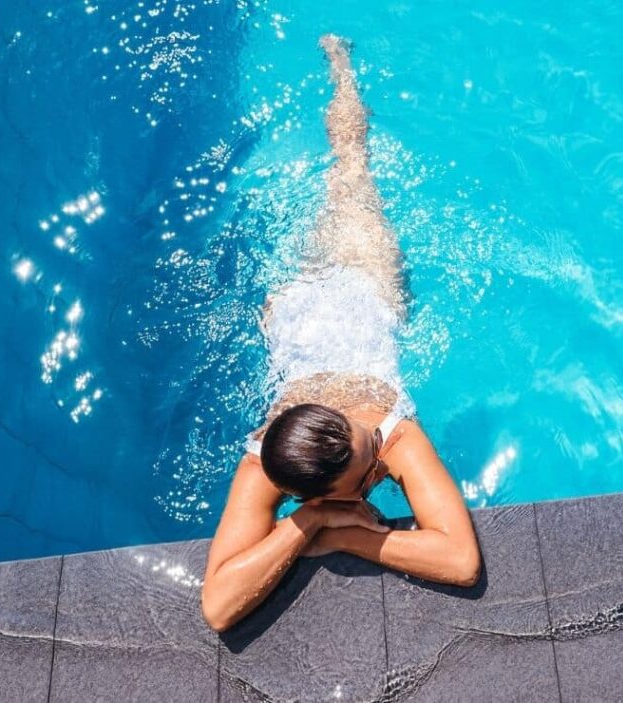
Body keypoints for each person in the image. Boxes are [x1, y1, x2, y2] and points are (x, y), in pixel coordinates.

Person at [200, 35, 482, 634]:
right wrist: (307, 526)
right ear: (308, 491)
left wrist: (351, 537)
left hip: (358, 282)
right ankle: (337, 67)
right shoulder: (266, 464)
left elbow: (462, 560)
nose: (377, 452)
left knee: (351, 163)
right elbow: (216, 607)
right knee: (342, 173)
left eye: (364, 444)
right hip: (301, 311)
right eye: (365, 464)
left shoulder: (387, 430)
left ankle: (341, 66)